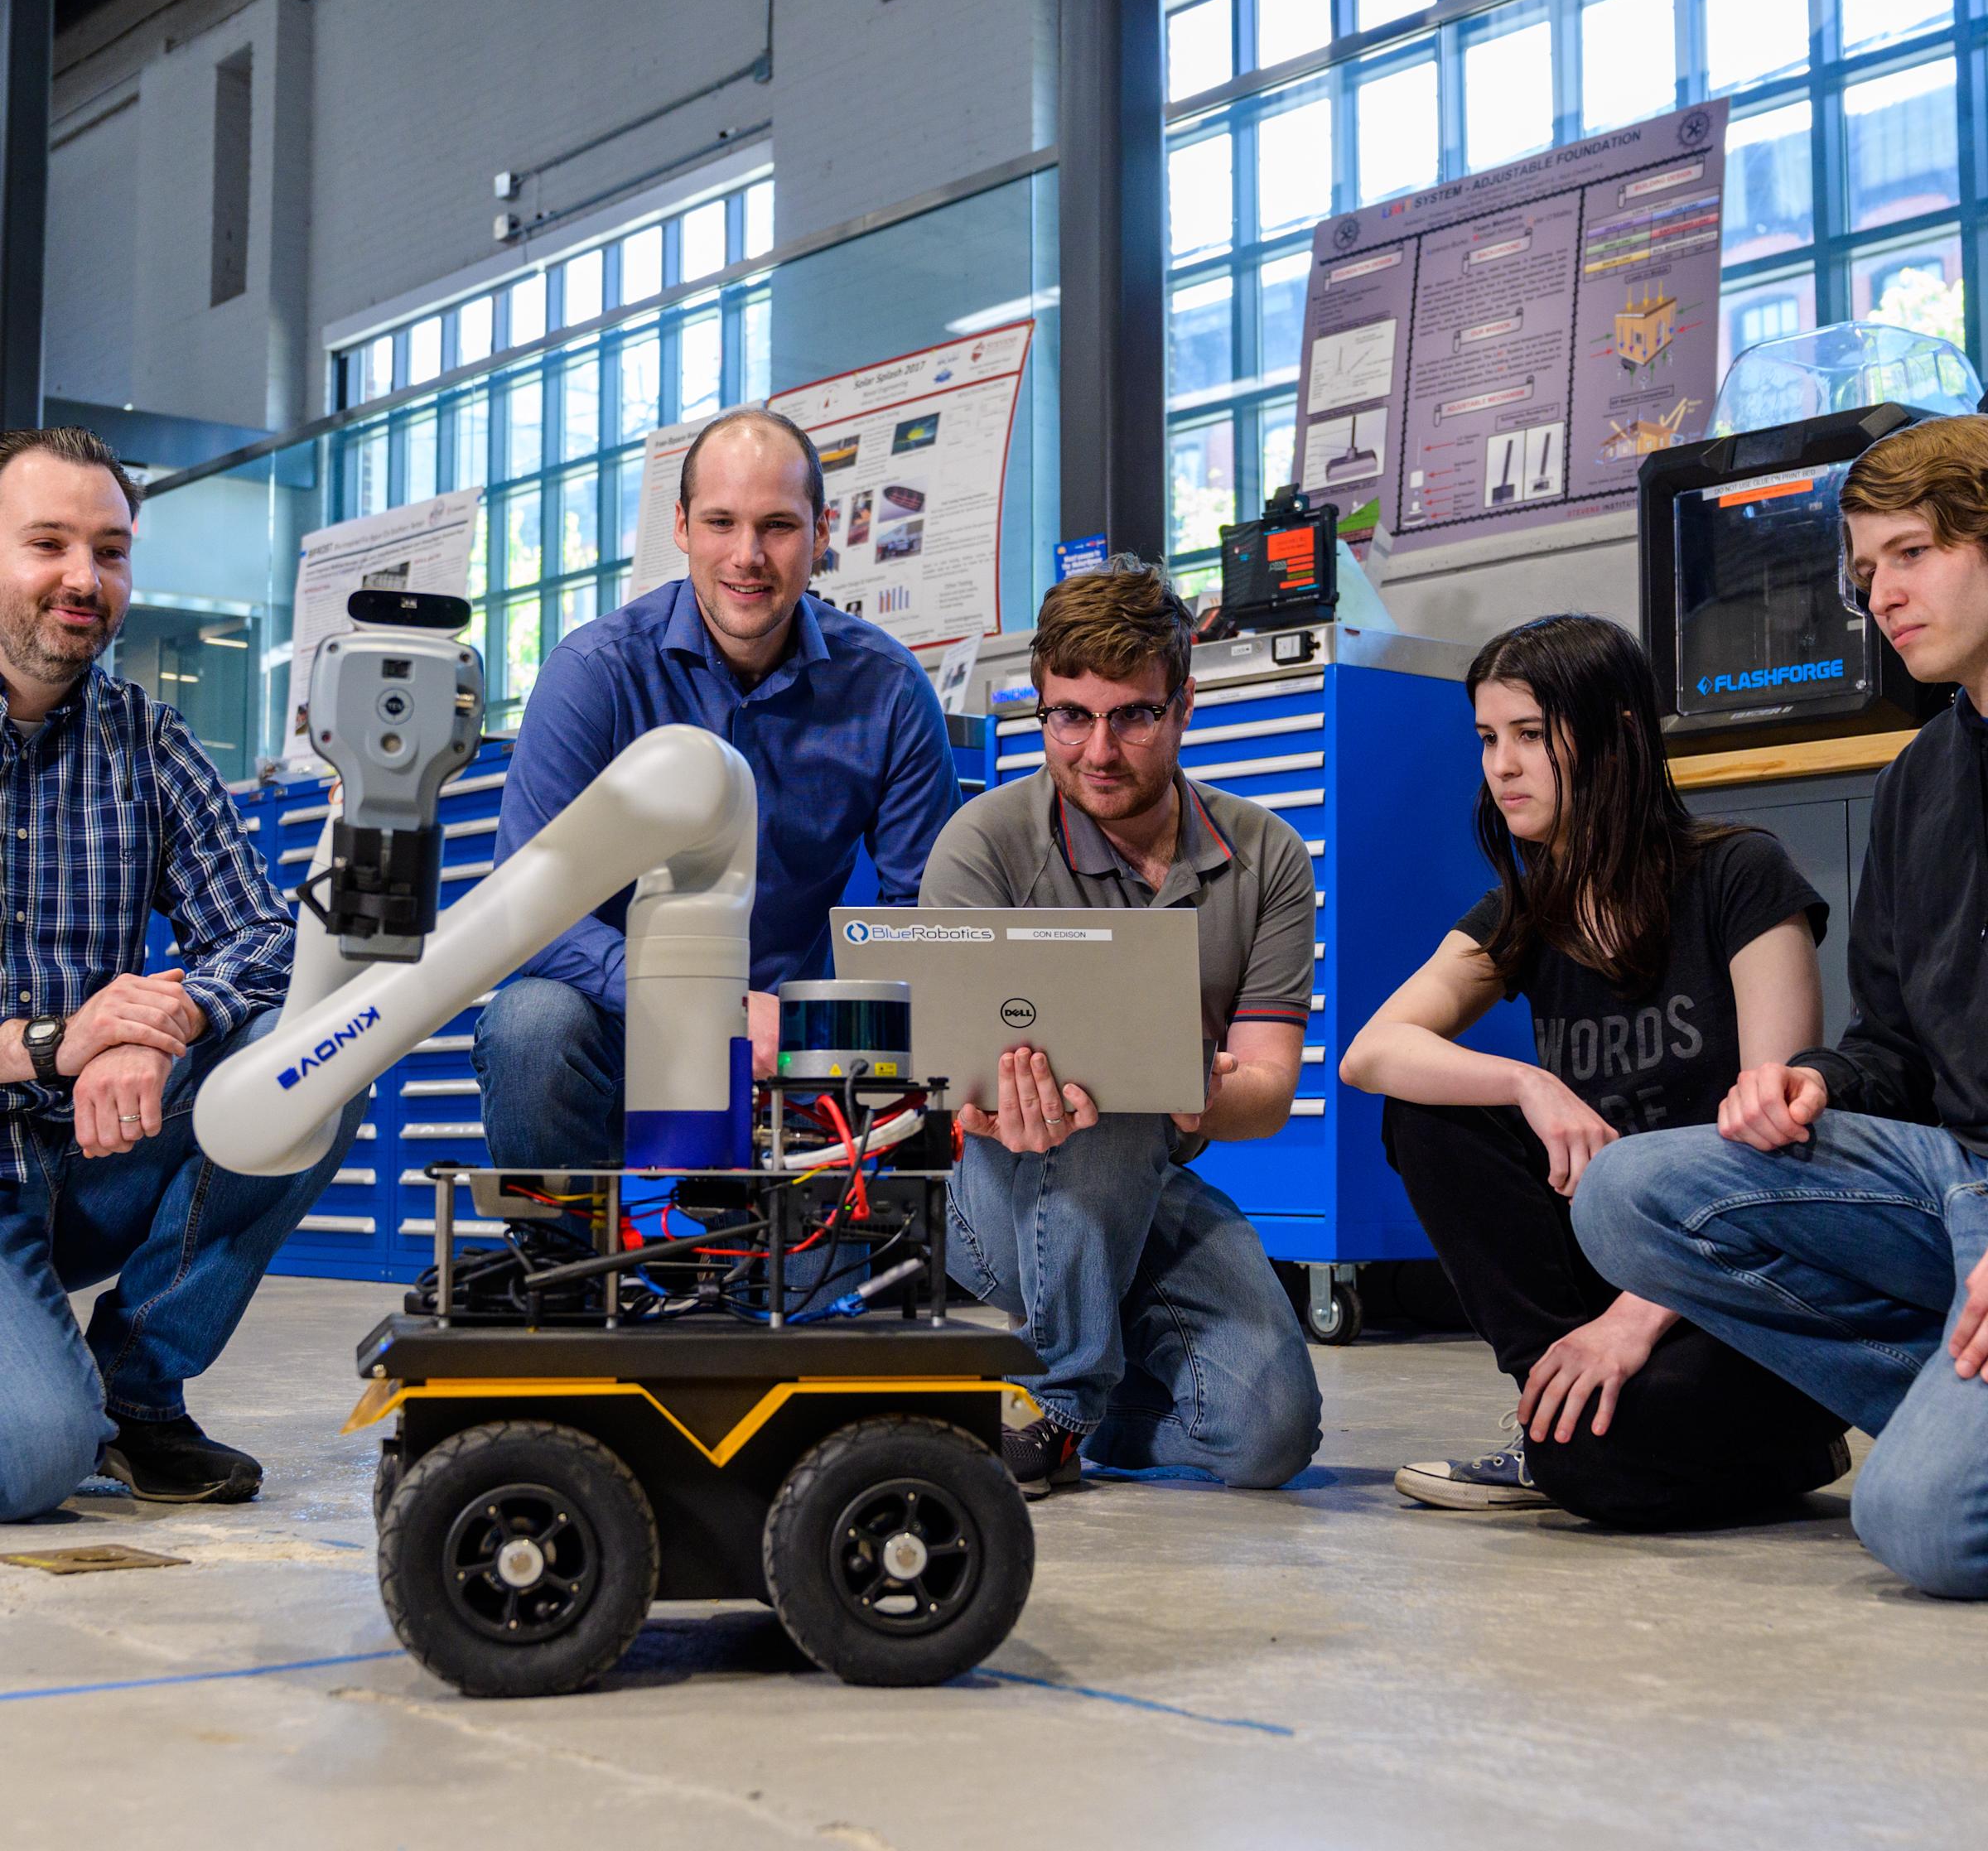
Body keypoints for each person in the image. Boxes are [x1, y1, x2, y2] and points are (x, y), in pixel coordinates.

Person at [1575, 417, 1988, 1593]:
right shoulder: (1920, 778)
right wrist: (1812, 1083)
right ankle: (1947, 1406)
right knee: (1626, 1192)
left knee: (1921, 1531)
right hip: (1954, 1179)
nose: (1882, 595)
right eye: (1866, 570)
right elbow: (1895, 1046)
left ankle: (1945, 1447)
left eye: (1913, 554)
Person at [1339, 614, 1850, 1526]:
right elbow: (1371, 1053)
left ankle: (1764, 1440)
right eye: (1488, 739)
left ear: (1615, 732)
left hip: (1741, 1284)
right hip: (1610, 1269)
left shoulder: (1741, 874)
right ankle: (1549, 1406)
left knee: (1597, 1471)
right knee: (1425, 1111)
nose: (1502, 767)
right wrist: (1528, 1083)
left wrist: (1635, 1318)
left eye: (1531, 735)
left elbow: (1774, 1152)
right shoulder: (1528, 910)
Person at [0, 427, 364, 1521]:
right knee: (33, 1461)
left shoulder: (147, 743)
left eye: (109, 551)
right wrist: (61, 1042)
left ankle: (136, 1393)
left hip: (91, 1154)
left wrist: (172, 1017)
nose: (84, 578)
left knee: (320, 1055)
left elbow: (265, 940)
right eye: (48, 544)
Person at [918, 557, 1322, 1497]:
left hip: (1147, 1176)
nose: (1098, 750)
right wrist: (989, 1107)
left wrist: (1191, 1088)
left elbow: (1266, 1093)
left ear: (1184, 707)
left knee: (1269, 1437)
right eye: (1070, 716)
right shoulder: (984, 844)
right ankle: (1058, 1400)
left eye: (1133, 716)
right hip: (993, 1196)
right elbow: (946, 1085)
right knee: (1111, 1079)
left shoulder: (1266, 856)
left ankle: (1055, 1414)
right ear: (1041, 709)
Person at [474, 408, 959, 1168]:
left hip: (793, 1040)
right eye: (721, 522)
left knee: (920, 1064)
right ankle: (560, 1243)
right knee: (532, 1028)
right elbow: (526, 910)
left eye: (778, 526)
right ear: (682, 526)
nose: (747, 556)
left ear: (822, 532)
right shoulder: (594, 675)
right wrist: (708, 1005)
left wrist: (824, 1025)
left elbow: (922, 918)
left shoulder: (888, 689)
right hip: (623, 1022)